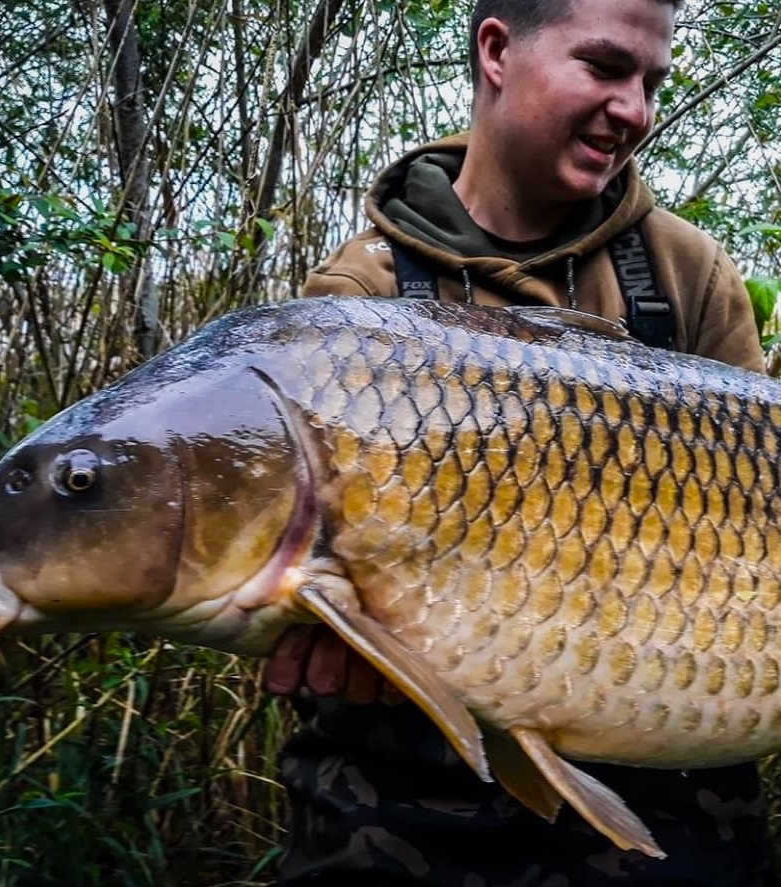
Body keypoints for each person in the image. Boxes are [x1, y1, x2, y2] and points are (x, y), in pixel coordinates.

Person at [265, 0, 778, 884]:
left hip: (661, 762)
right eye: (606, 68)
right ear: (496, 50)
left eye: (651, 82)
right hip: (412, 787)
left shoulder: (683, 271)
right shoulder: (358, 294)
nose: (636, 110)